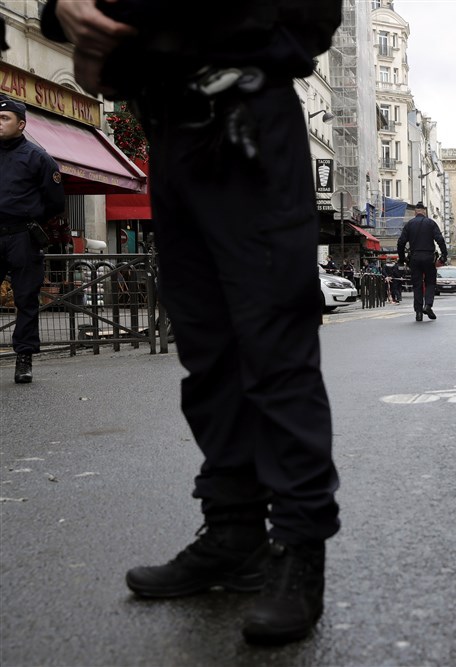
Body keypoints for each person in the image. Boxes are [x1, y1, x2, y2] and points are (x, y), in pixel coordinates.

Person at [41, 0, 345, 645]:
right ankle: (234, 532)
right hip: (172, 135)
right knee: (207, 353)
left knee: (273, 349)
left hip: (250, 123)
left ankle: (299, 548)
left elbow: (312, 17)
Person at [0, 96, 66, 384]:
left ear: (21, 124)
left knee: (26, 298)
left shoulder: (39, 158)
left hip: (22, 236)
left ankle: (24, 358)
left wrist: (29, 221)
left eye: (5, 119)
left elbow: (54, 203)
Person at [397, 201, 447, 322]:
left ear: (415, 212)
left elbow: (401, 242)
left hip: (414, 258)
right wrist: (444, 256)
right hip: (429, 257)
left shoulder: (409, 224)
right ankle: (428, 305)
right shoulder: (431, 223)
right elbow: (440, 240)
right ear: (424, 211)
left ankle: (418, 312)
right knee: (430, 283)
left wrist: (402, 258)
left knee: (417, 285)